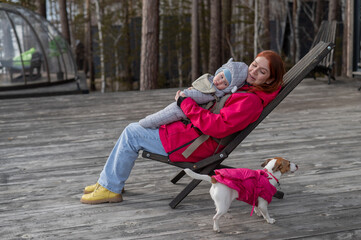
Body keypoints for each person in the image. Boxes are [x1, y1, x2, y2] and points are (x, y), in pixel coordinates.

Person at [80, 50, 285, 204]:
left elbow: (218, 127)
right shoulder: (247, 88)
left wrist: (185, 104)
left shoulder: (250, 101)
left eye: (262, 71)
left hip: (193, 146)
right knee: (134, 129)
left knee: (132, 133)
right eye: (254, 65)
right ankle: (108, 182)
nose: (254, 71)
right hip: (190, 135)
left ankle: (110, 188)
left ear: (271, 79)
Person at [139, 58, 248, 129]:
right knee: (165, 113)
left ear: (228, 88)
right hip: (187, 106)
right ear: (219, 71)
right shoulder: (210, 81)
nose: (219, 81)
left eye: (224, 83)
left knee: (169, 113)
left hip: (188, 109)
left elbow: (201, 96)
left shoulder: (215, 92)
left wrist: (185, 95)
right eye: (221, 77)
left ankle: (147, 123)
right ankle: (150, 122)